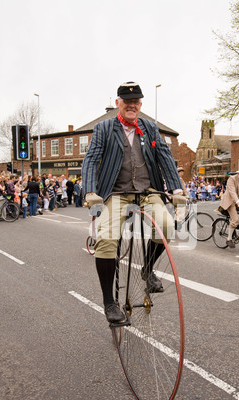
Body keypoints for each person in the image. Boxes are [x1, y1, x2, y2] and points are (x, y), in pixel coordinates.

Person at [82, 81, 185, 324]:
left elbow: (164, 156)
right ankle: (109, 303)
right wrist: (90, 192)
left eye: (136, 102)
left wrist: (176, 188)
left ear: (141, 104)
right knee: (106, 239)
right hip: (116, 193)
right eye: (127, 102)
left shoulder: (149, 127)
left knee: (167, 226)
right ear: (118, 103)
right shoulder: (104, 128)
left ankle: (147, 269)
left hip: (148, 191)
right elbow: (91, 160)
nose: (132, 105)